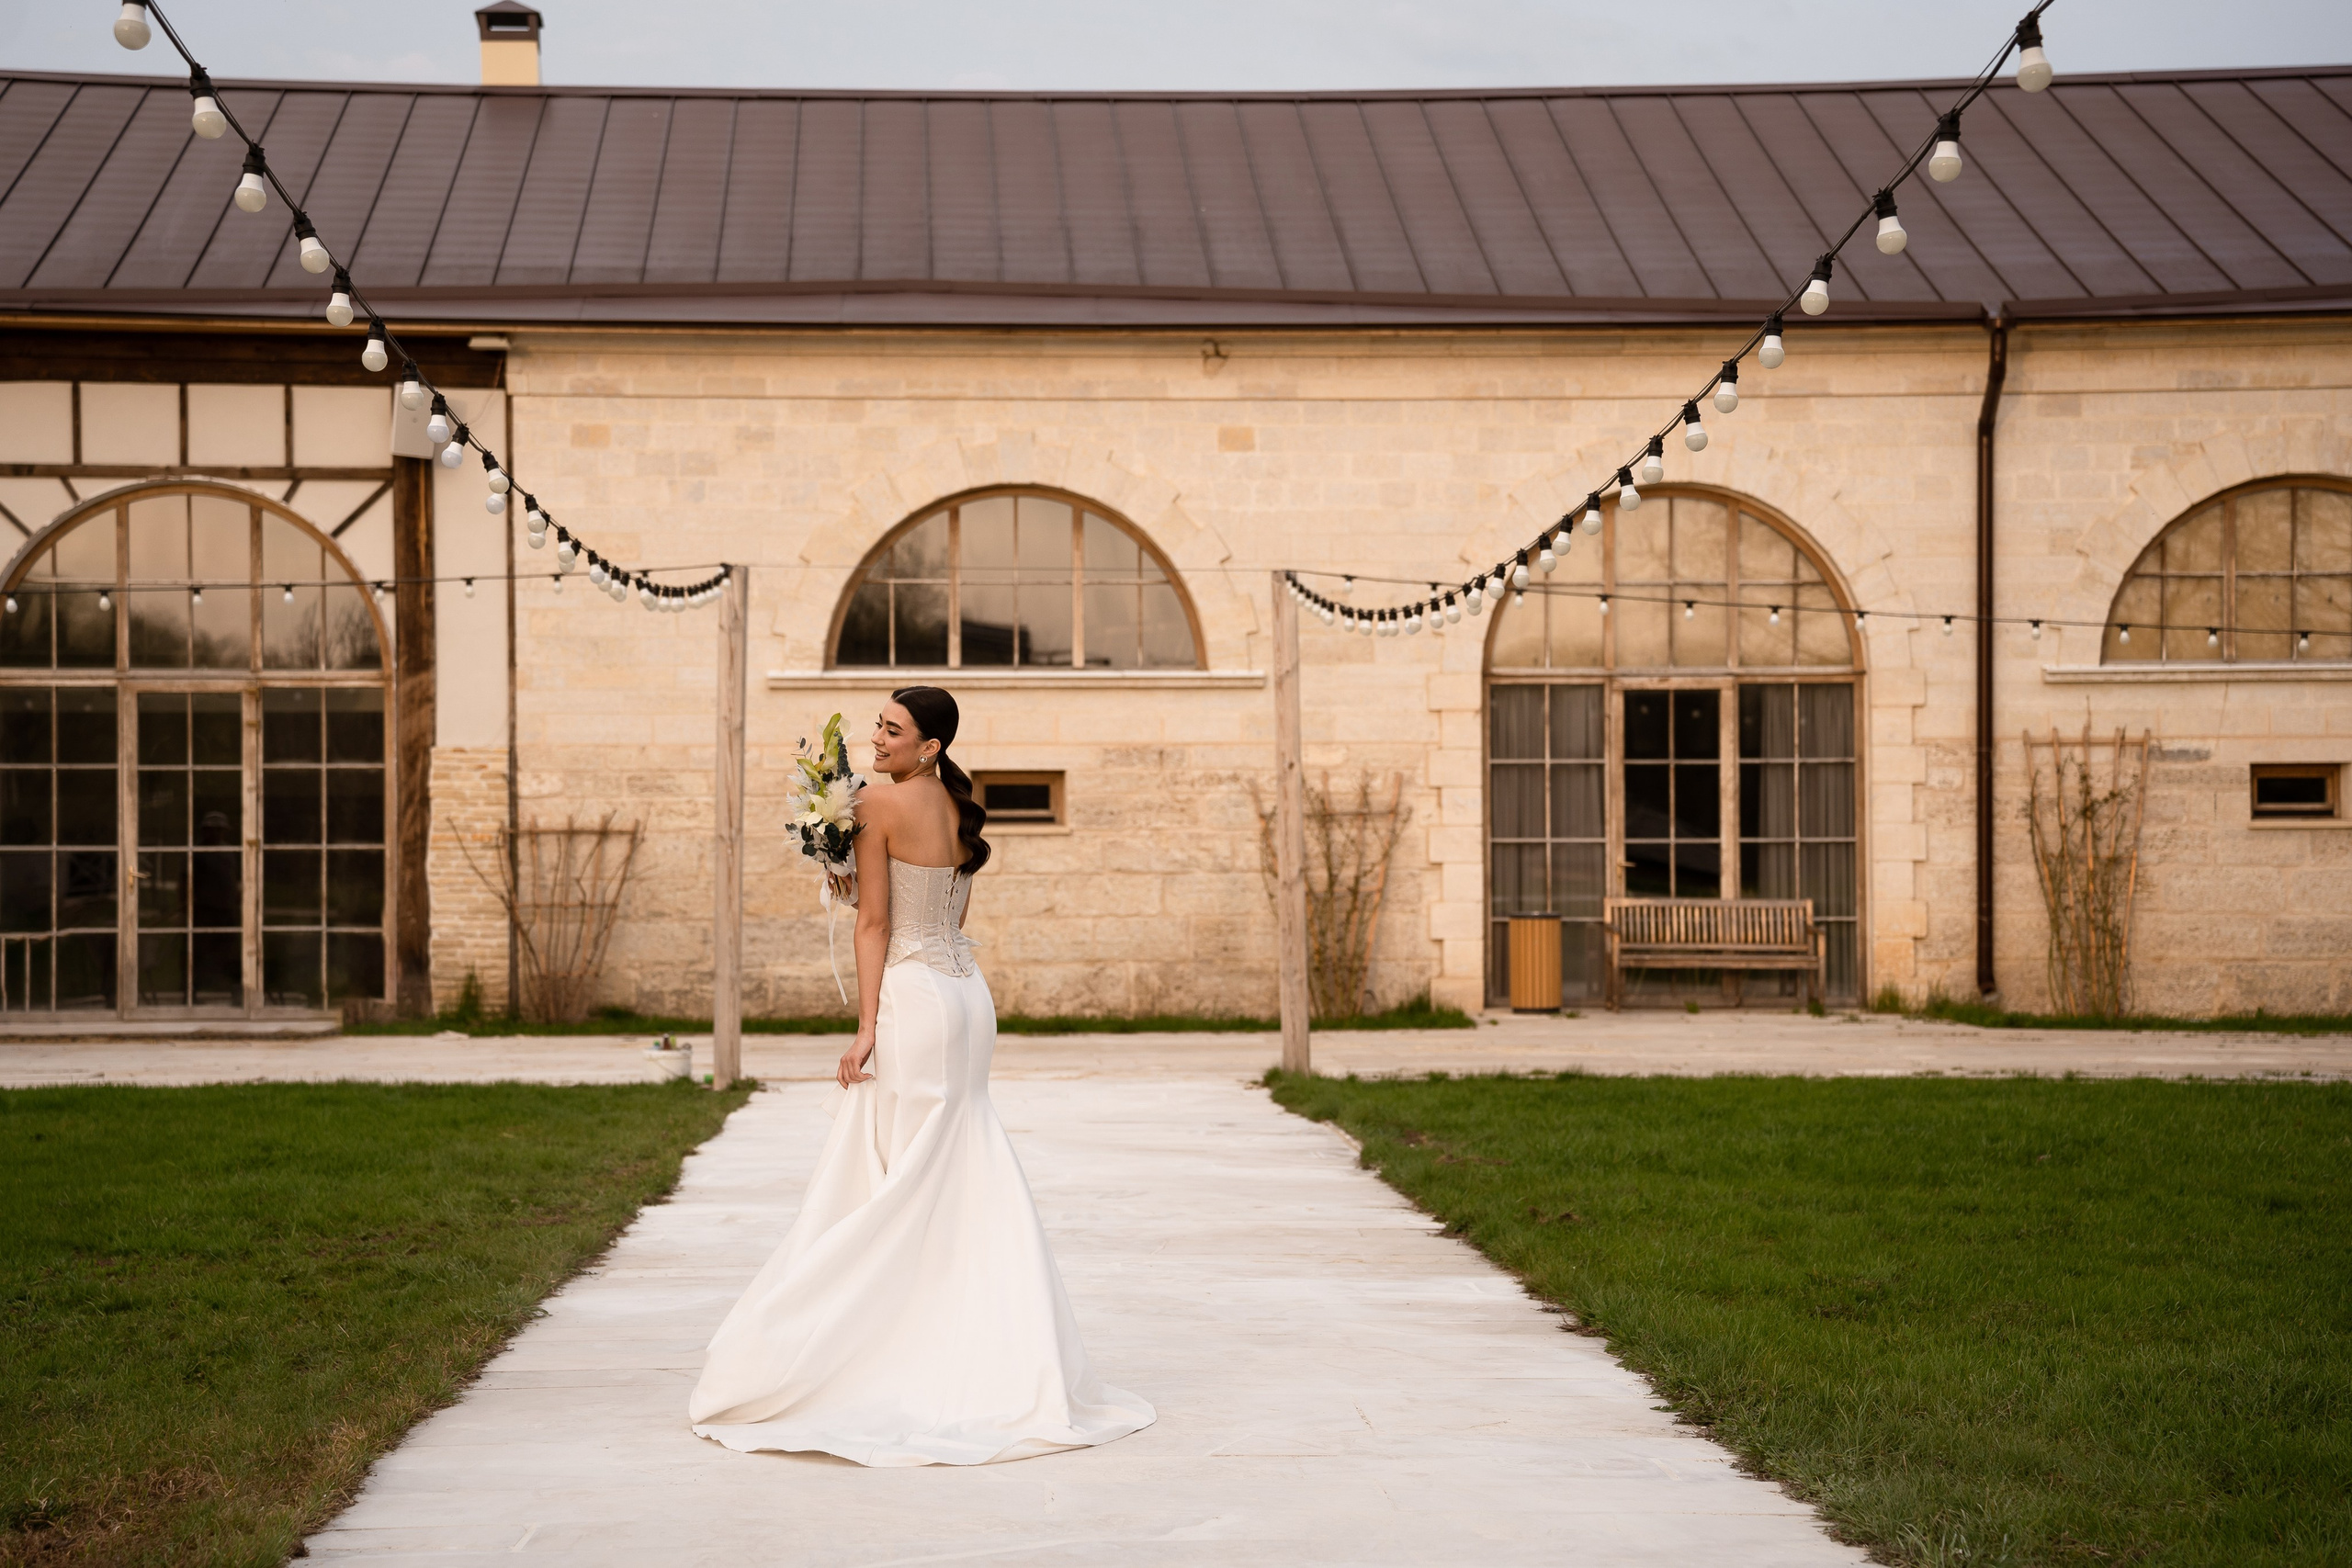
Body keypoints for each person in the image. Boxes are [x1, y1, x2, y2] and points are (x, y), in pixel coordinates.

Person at [689, 685, 1155, 1466]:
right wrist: (853, 879)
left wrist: (867, 1023)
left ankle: (886, 1345)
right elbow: (945, 916)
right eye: (876, 724)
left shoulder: (875, 802)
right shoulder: (954, 806)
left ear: (929, 744)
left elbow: (876, 925)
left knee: (902, 1176)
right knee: (959, 1163)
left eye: (893, 729)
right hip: (968, 998)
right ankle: (995, 1352)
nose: (876, 738)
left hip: (914, 998)